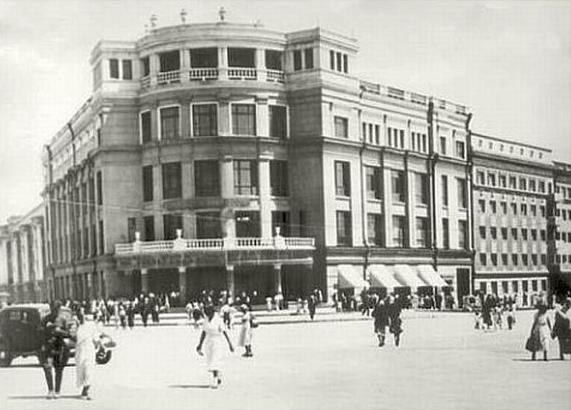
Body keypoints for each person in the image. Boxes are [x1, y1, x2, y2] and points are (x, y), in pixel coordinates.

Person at [39, 301, 72, 399]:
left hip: (59, 346)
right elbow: (39, 332)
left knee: (58, 369)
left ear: (59, 309)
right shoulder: (45, 319)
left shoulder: (63, 319)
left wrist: (60, 331)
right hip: (48, 346)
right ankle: (50, 390)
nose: (55, 311)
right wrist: (47, 330)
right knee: (47, 368)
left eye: (57, 309)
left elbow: (68, 333)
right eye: (53, 308)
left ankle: (57, 391)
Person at [196, 305, 234, 388]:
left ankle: (215, 379)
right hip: (209, 342)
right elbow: (204, 332)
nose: (207, 315)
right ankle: (218, 375)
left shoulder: (218, 320)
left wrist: (230, 344)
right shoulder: (206, 320)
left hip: (217, 341)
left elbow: (224, 332)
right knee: (211, 360)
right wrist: (200, 344)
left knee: (215, 359)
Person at [75, 310, 102, 400]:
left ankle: (85, 391)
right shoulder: (76, 326)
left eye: (82, 315)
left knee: (88, 370)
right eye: (79, 315)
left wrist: (99, 345)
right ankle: (84, 389)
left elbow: (96, 338)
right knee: (81, 370)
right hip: (80, 350)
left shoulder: (91, 326)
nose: (81, 317)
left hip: (89, 350)